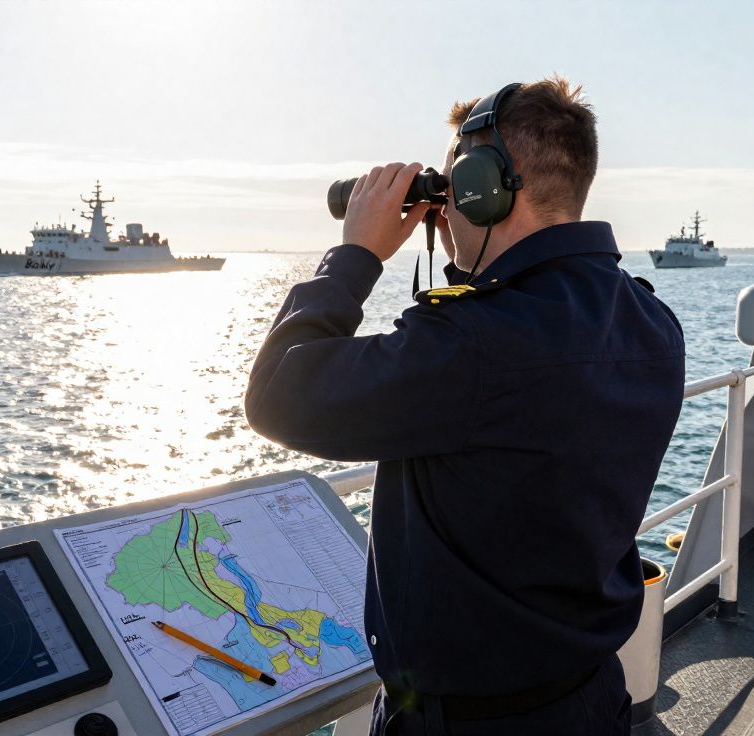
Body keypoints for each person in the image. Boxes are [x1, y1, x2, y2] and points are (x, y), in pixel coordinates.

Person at [245, 77, 685, 735]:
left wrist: (356, 252)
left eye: (450, 191)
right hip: (591, 701)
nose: (442, 210)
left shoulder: (474, 344)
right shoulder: (650, 319)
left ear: (485, 189)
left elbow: (280, 394)